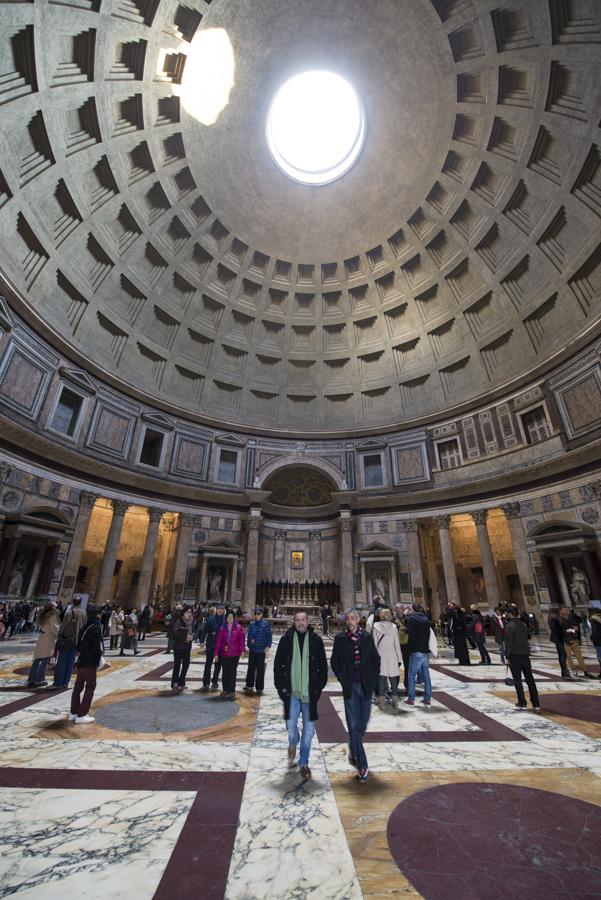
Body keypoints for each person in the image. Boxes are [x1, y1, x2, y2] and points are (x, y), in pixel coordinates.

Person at [274, 610, 328, 782]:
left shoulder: (316, 640)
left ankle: (304, 763)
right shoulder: (286, 639)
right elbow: (278, 665)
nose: (300, 622)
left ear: (308, 621)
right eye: (297, 620)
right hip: (291, 692)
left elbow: (323, 668)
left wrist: (318, 688)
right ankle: (292, 742)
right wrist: (281, 687)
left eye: (303, 619)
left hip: (309, 693)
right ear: (294, 621)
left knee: (309, 731)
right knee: (291, 728)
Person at [331, 609, 380, 784]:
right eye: (348, 619)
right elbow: (334, 661)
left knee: (362, 725)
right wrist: (342, 678)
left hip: (366, 686)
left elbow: (375, 659)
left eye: (353, 618)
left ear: (358, 620)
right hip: (350, 687)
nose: (350, 621)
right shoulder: (340, 639)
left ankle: (353, 747)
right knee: (353, 726)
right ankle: (363, 765)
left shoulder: (366, 637)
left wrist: (374, 681)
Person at [69, 603, 103, 724]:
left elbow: (78, 645)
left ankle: (73, 712)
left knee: (78, 687)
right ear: (97, 615)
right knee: (90, 687)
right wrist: (100, 655)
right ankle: (82, 715)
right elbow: (95, 647)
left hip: (81, 661)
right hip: (90, 663)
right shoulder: (96, 627)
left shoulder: (84, 627)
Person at [504, 606, 540, 711]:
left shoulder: (509, 626)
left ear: (510, 614)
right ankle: (536, 703)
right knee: (530, 680)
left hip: (515, 655)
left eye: (507, 613)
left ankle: (522, 702)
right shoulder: (524, 625)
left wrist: (507, 656)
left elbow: (509, 643)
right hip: (525, 654)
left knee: (518, 680)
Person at [52, 596, 87, 688]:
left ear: (73, 602)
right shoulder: (84, 612)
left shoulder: (70, 612)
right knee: (70, 662)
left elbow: (63, 626)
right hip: (77, 641)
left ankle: (58, 683)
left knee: (62, 661)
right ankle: (66, 682)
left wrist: (59, 635)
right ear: (80, 602)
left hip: (67, 639)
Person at [372, 608, 403, 710]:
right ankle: (395, 702)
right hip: (392, 655)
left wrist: (374, 658)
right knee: (393, 678)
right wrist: (399, 658)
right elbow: (397, 644)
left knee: (381, 679)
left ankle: (382, 703)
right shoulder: (394, 627)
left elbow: (374, 645)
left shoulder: (376, 627)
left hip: (380, 654)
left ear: (381, 616)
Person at [404, 603, 433, 707]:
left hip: (416, 650)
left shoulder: (411, 619)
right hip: (425, 650)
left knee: (411, 675)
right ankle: (427, 698)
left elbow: (411, 633)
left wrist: (410, 647)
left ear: (413, 609)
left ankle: (411, 698)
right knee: (426, 676)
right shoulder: (426, 619)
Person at [26, 603, 61, 688]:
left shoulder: (43, 614)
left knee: (37, 659)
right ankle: (39, 680)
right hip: (48, 638)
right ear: (53, 608)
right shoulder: (52, 616)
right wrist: (60, 634)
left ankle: (31, 678)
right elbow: (54, 628)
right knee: (45, 660)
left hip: (42, 637)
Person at [214, 610, 246, 700]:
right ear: (226, 618)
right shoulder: (222, 628)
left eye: (231, 617)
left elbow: (242, 641)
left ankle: (231, 691)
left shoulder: (238, 628)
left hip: (235, 654)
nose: (230, 619)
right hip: (224, 654)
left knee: (232, 672)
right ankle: (225, 689)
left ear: (234, 618)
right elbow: (218, 642)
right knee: (225, 672)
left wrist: (243, 651)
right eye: (228, 617)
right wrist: (216, 653)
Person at [559, 607, 594, 678]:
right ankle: (573, 670)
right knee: (569, 657)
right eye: (564, 610)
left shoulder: (571, 619)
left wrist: (571, 630)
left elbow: (576, 628)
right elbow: (560, 631)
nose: (565, 611)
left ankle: (585, 670)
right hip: (565, 641)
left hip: (574, 639)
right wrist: (569, 630)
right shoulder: (560, 621)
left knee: (579, 656)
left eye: (566, 610)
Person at [244, 607, 272, 696]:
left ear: (262, 615)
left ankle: (259, 688)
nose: (257, 615)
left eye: (258, 614)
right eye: (255, 614)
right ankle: (249, 685)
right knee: (251, 668)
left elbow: (269, 636)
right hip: (253, 650)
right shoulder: (252, 624)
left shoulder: (265, 624)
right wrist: (249, 645)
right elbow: (249, 636)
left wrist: (268, 646)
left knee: (260, 670)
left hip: (261, 651)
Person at [200, 603, 225, 692]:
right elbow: (204, 631)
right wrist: (202, 641)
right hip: (211, 644)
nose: (220, 610)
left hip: (221, 646)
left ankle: (215, 681)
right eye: (218, 609)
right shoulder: (211, 619)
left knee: (218, 665)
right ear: (216, 610)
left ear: (224, 610)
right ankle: (206, 682)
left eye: (222, 609)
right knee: (208, 664)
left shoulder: (226, 620)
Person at [171, 605, 193, 692]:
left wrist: (192, 637)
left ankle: (182, 682)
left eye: (191, 612)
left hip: (187, 647)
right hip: (179, 646)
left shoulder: (191, 622)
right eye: (188, 612)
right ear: (184, 612)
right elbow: (174, 633)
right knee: (177, 665)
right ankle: (175, 683)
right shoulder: (179, 621)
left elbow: (194, 631)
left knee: (186, 665)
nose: (189, 614)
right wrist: (185, 638)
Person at [588, 608, 601, 679]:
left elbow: (595, 631)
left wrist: (591, 638)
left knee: (600, 657)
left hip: (599, 642)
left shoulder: (593, 620)